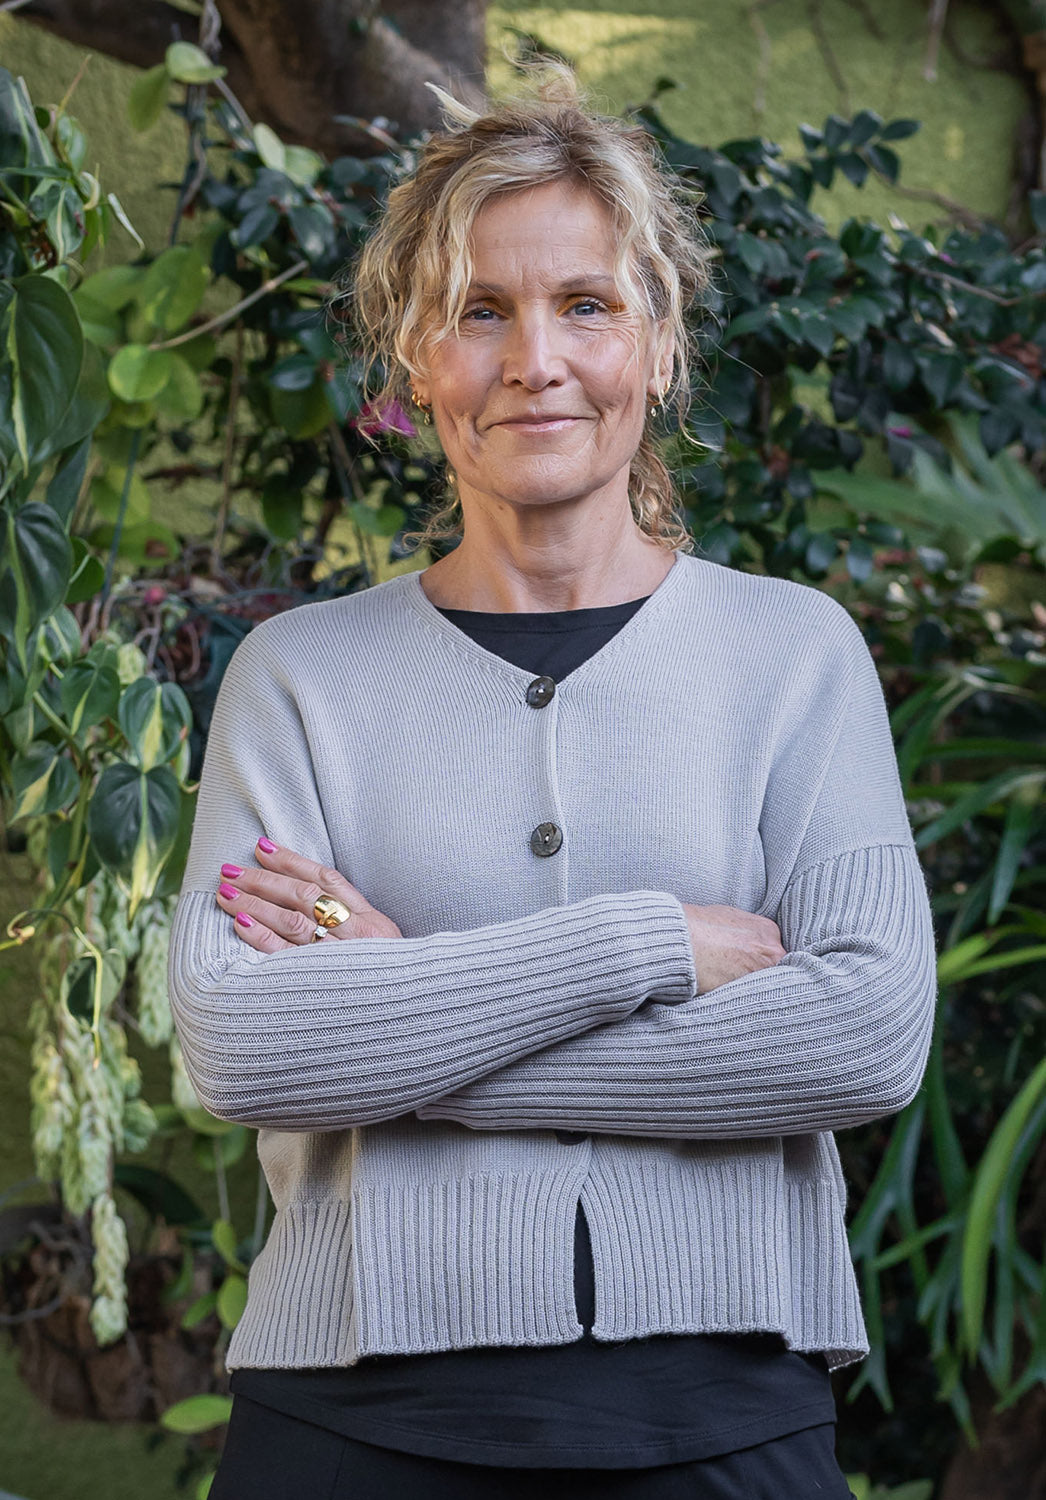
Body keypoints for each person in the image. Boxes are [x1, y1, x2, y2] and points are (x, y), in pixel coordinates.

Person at [167, 65, 938, 1500]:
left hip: (724, 1416)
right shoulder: (299, 676)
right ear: (415, 359)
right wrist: (647, 946)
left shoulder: (794, 654)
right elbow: (246, 1047)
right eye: (479, 310)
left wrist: (405, 1015)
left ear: (660, 344)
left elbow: (864, 1037)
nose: (536, 358)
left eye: (586, 304)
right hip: (347, 1423)